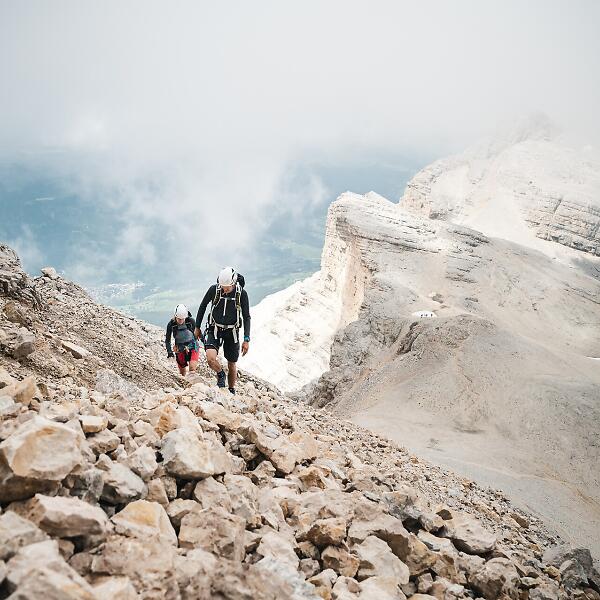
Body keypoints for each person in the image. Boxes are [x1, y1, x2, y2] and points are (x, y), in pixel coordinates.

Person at [195, 266, 250, 394]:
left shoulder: (241, 294)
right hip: (214, 328)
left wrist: (246, 339)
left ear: (234, 283)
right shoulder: (214, 290)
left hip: (232, 332)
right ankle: (220, 374)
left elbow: (246, 316)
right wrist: (197, 327)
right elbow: (202, 306)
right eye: (223, 286)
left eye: (228, 287)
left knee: (232, 363)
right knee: (210, 358)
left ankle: (231, 390)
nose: (225, 289)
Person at [165, 304, 201, 376]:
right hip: (179, 348)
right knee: (182, 372)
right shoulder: (171, 324)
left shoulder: (190, 321)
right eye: (179, 319)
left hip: (193, 345)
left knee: (192, 369)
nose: (181, 321)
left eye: (182, 319)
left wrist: (205, 343)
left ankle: (192, 380)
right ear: (175, 316)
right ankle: (185, 381)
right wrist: (169, 352)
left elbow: (198, 332)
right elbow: (167, 340)